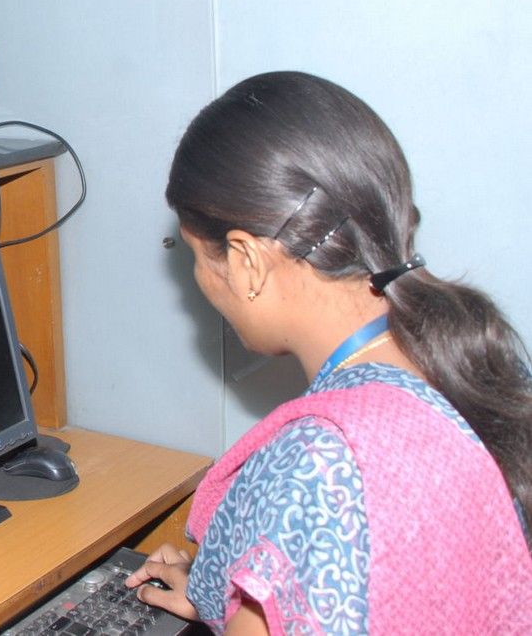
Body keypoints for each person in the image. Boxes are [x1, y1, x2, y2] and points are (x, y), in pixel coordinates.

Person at [129, 71, 532, 633]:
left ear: (245, 260)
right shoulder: (472, 362)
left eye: (194, 254)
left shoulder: (317, 465)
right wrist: (234, 600)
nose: (196, 276)